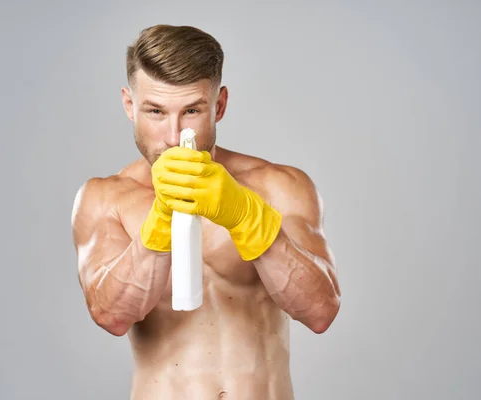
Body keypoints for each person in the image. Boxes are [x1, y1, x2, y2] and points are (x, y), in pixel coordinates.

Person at [71, 24, 341, 400]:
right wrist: (160, 220)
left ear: (219, 105)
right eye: (155, 111)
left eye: (192, 110)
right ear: (129, 105)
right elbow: (111, 315)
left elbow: (321, 310)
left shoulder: (278, 186)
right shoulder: (106, 198)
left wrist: (247, 216)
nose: (172, 133)